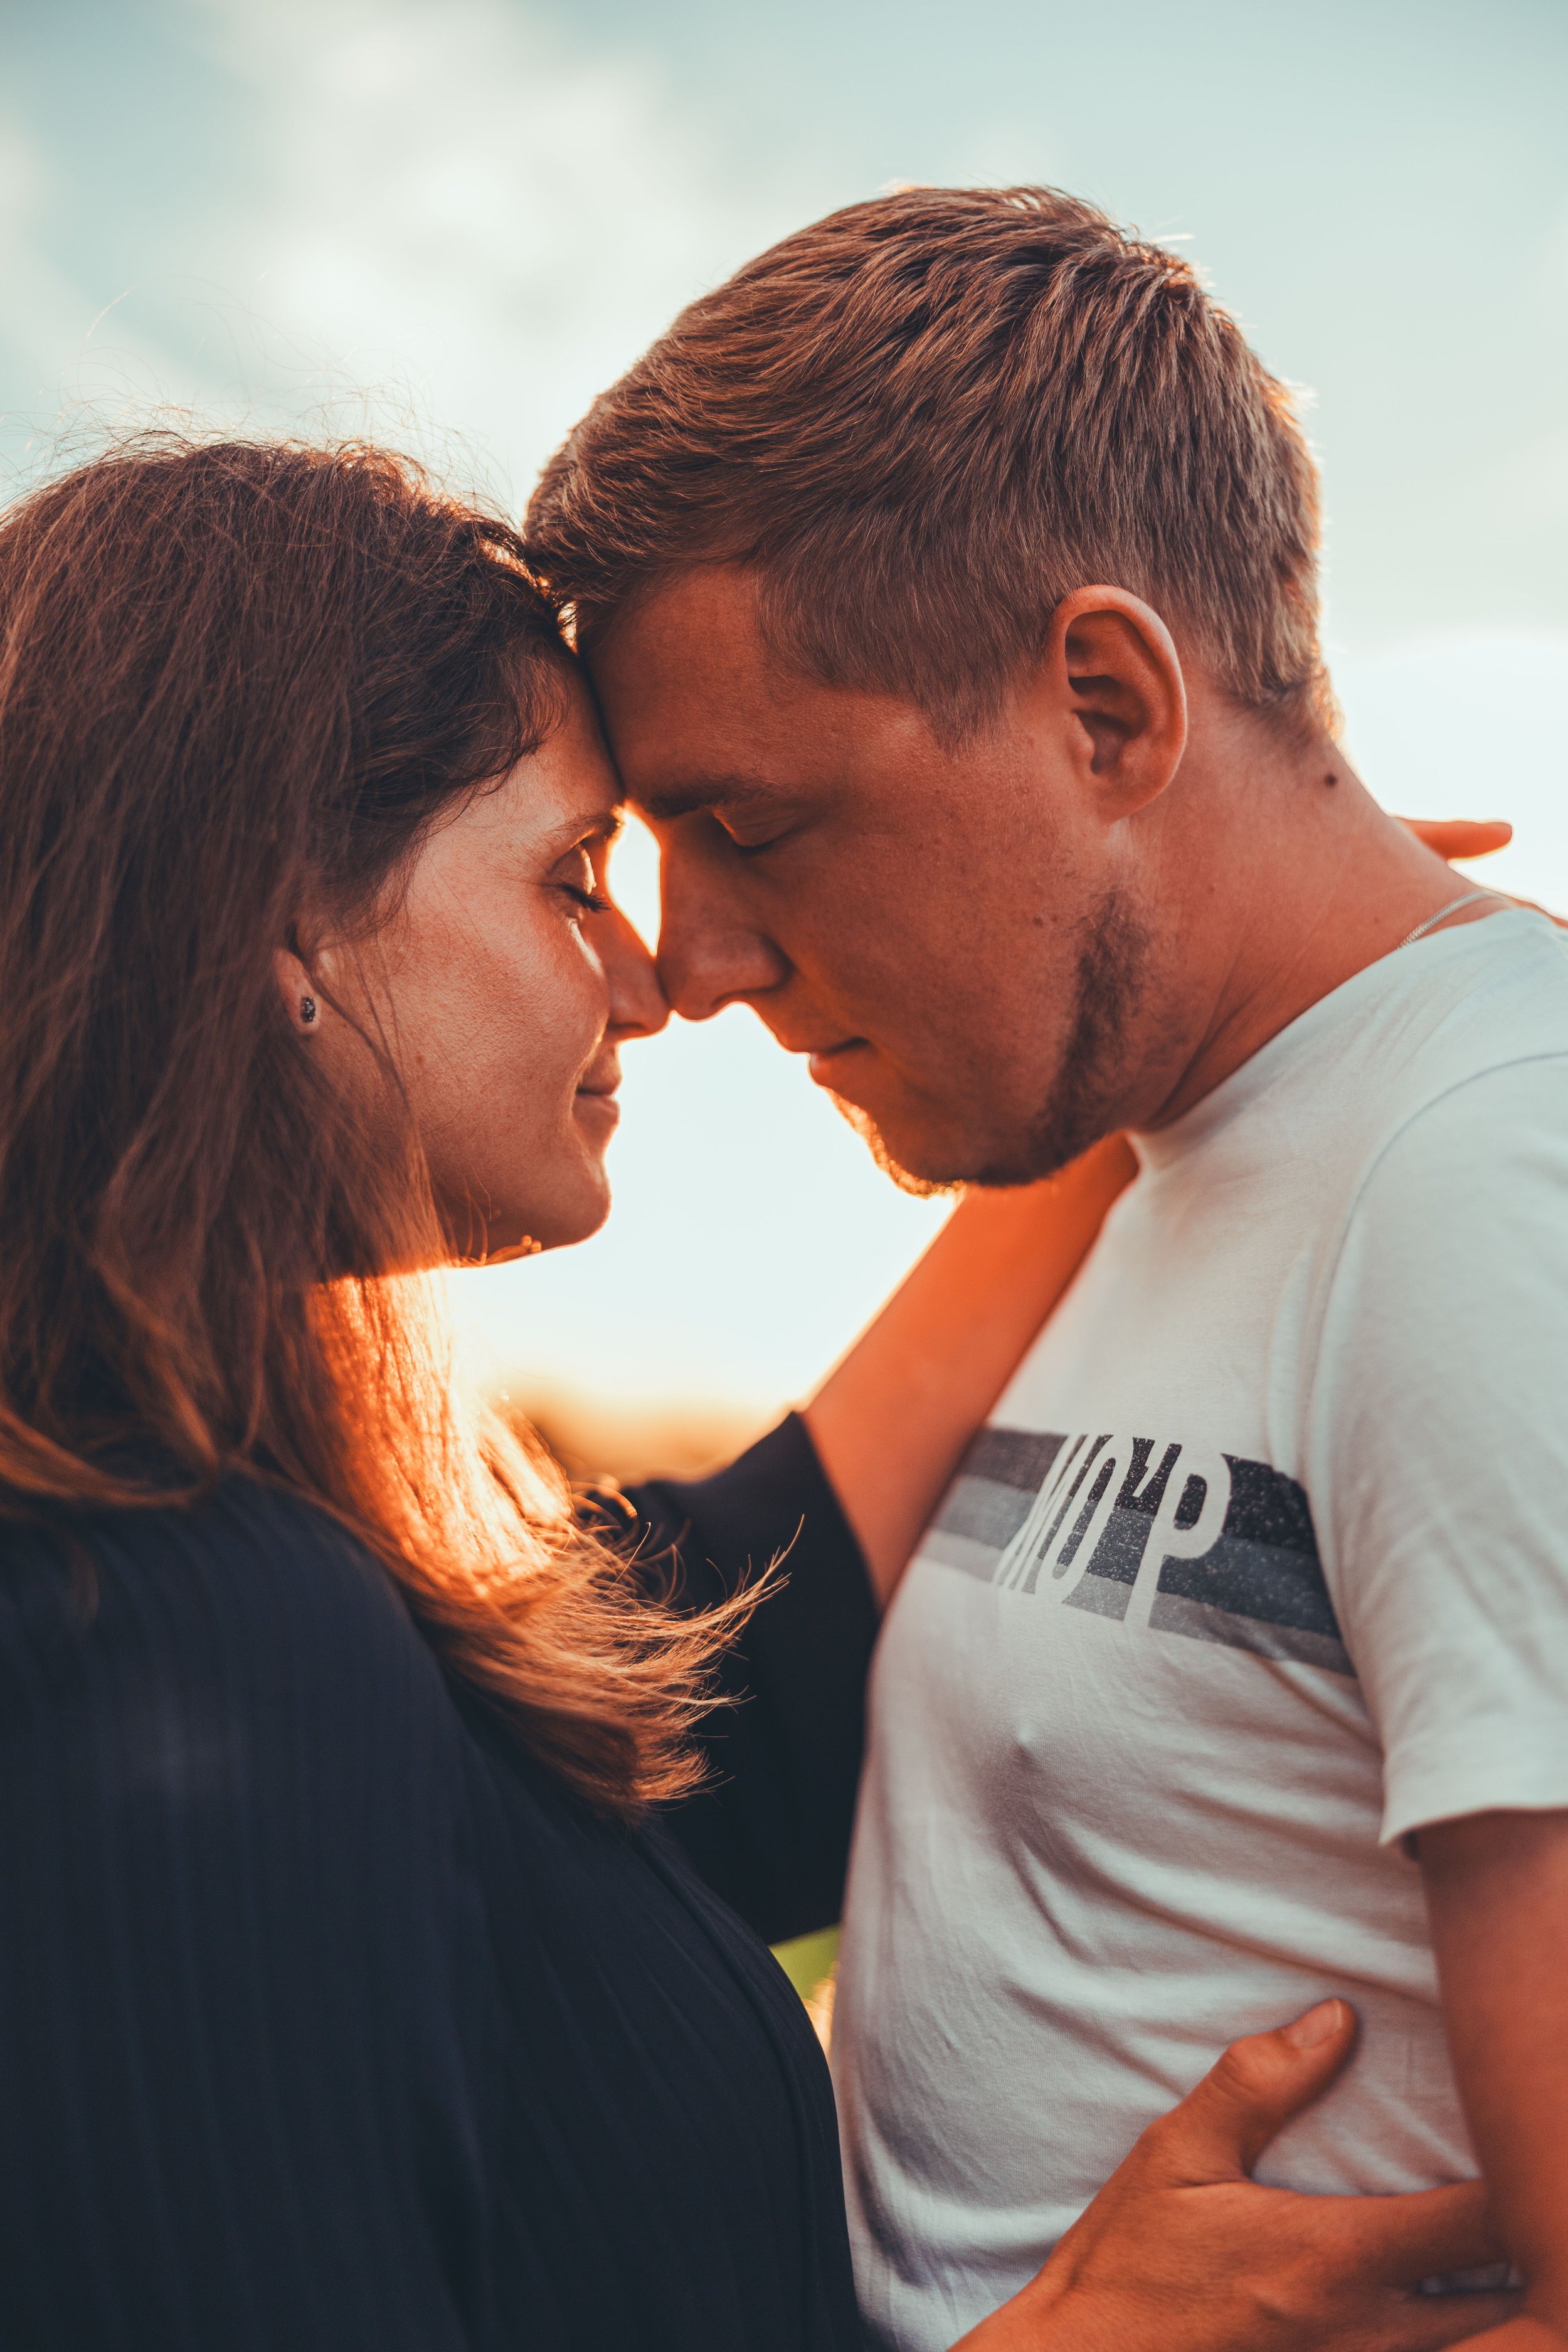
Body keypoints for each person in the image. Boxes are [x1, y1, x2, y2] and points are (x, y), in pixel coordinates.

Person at [0, 434, 1498, 2352]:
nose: (645, 978)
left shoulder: (246, 1560)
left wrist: (1205, 973)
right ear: (280, 918)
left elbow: (757, 1640)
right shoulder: (172, 1645)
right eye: (566, 877)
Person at [525, 185, 1568, 2351]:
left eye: (752, 823)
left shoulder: (1488, 1188)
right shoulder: (1169, 1138)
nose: (688, 965)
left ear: (1104, 704)